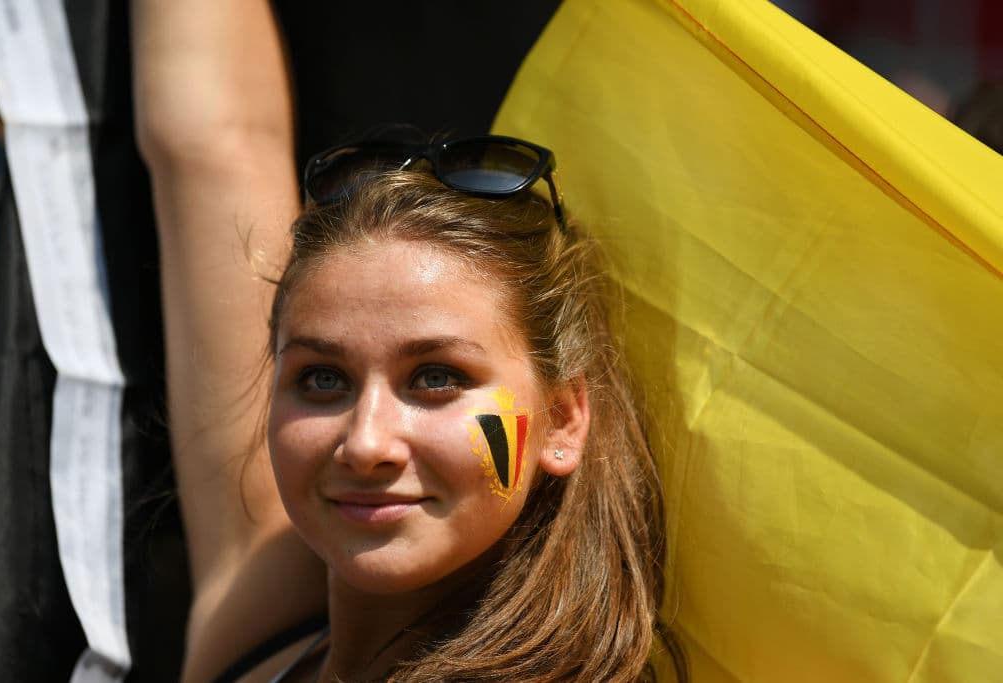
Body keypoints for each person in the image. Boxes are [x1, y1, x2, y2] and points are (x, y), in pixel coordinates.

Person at [134, 3, 685, 681]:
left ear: (564, 417)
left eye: (435, 377)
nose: (366, 443)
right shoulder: (260, 614)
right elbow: (208, 141)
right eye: (321, 378)